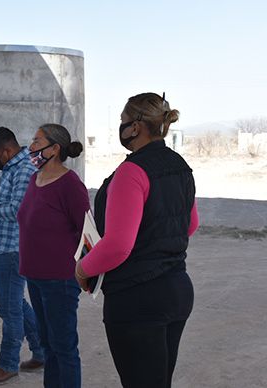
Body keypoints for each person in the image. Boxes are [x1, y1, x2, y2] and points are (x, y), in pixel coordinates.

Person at [75, 92, 199, 388]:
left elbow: (118, 245)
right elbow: (190, 225)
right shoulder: (180, 165)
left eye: (122, 121)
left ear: (136, 126)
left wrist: (83, 269)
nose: (122, 127)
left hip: (137, 299)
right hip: (177, 290)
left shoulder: (132, 171)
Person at [17, 123, 89, 388]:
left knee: (64, 348)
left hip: (60, 280)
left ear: (55, 148)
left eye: (36, 142)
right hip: (35, 277)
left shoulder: (70, 185)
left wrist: (83, 273)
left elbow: (87, 234)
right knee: (48, 346)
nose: (31, 147)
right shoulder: (35, 179)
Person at [0, 126, 45, 385]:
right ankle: (41, 351)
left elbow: (18, 211)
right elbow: (10, 201)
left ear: (7, 150)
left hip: (11, 248)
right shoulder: (12, 169)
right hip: (2, 246)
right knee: (16, 304)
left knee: (9, 309)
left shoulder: (24, 169)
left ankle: (8, 364)